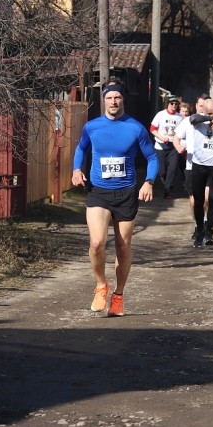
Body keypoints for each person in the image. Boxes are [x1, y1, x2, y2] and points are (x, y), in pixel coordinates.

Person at [71, 79, 158, 317]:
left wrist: (148, 182)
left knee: (123, 246)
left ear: (122, 99)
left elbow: (152, 157)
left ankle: (118, 295)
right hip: (98, 191)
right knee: (97, 243)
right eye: (109, 98)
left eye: (117, 97)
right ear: (104, 100)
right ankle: (101, 285)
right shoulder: (92, 127)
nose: (113, 101)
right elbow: (81, 149)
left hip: (126, 192)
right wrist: (76, 169)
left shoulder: (135, 128)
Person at [176, 97, 213, 246]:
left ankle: (209, 233)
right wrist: (207, 119)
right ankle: (199, 231)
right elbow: (194, 118)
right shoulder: (197, 120)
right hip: (199, 164)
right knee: (198, 200)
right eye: (210, 112)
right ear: (203, 110)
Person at [149, 95, 183, 199]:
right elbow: (152, 129)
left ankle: (168, 190)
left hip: (173, 147)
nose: (174, 106)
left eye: (176, 104)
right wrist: (161, 137)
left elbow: (182, 133)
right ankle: (165, 183)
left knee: (172, 169)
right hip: (160, 145)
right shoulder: (160, 115)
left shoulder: (180, 117)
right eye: (172, 104)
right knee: (162, 171)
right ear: (168, 104)